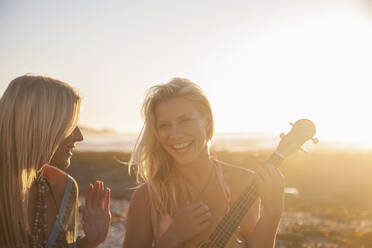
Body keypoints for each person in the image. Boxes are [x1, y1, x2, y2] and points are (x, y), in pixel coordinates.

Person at [122, 78, 285, 248]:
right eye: (164, 125)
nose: (175, 134)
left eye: (185, 121)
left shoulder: (242, 182)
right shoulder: (148, 197)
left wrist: (273, 213)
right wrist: (173, 236)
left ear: (206, 120)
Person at [0, 75, 111, 248]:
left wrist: (90, 241)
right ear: (40, 126)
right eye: (70, 125)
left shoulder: (64, 188)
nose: (79, 137)